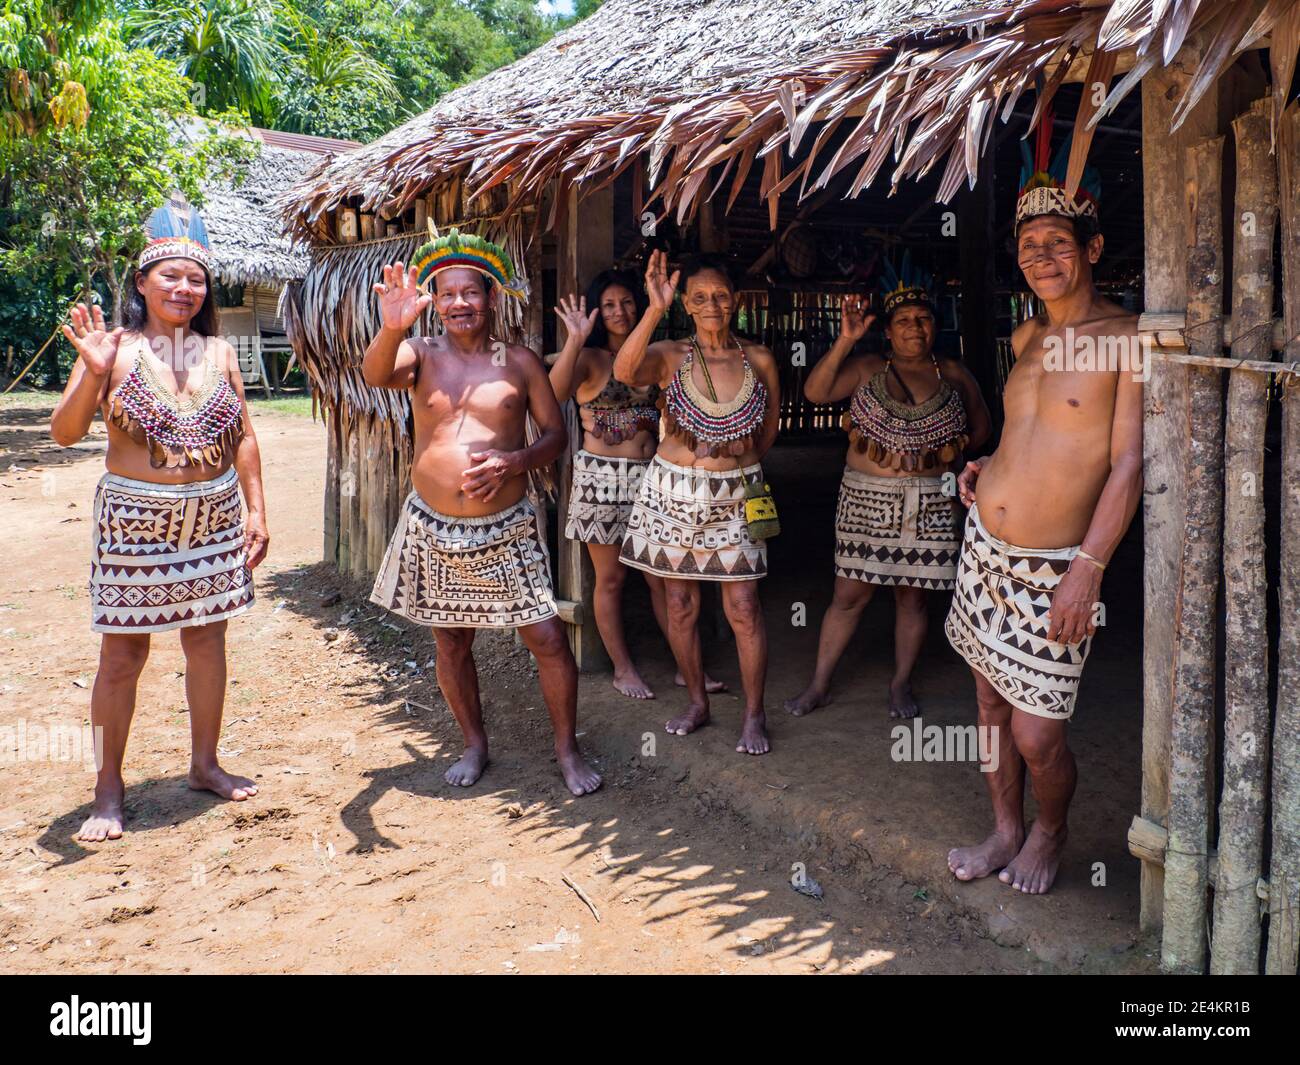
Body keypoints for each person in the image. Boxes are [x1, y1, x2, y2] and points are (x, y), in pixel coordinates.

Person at [945, 135, 1142, 894]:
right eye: (1029, 246)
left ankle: (1050, 831)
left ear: (1091, 247)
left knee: (1037, 731)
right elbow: (1029, 435)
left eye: (1058, 243)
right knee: (990, 699)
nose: (1041, 257)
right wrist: (983, 468)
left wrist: (1087, 572)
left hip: (1057, 567)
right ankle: (1004, 829)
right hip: (985, 549)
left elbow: (1126, 463)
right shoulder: (1028, 336)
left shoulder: (1127, 340)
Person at [50, 194, 269, 842]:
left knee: (207, 641)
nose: (184, 287)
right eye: (169, 275)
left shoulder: (220, 355)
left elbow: (247, 437)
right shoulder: (113, 349)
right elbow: (64, 433)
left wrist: (257, 508)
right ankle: (108, 787)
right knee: (122, 654)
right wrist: (91, 377)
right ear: (142, 282)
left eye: (195, 277)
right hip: (134, 524)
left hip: (214, 519)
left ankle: (204, 764)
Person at [363, 227, 601, 796]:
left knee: (545, 637)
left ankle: (567, 750)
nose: (459, 304)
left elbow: (554, 436)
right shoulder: (419, 354)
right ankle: (473, 744)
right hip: (435, 526)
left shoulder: (517, 362)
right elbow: (374, 374)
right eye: (446, 295)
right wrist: (394, 323)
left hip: (506, 527)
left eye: (471, 292)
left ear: (491, 298)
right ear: (435, 303)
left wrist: (513, 461)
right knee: (451, 642)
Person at [786, 260, 990, 719]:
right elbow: (817, 394)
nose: (914, 328)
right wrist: (846, 340)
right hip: (865, 500)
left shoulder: (953, 374)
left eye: (922, 319)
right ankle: (818, 684)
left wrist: (936, 452)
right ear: (889, 331)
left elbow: (980, 430)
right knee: (849, 595)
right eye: (903, 321)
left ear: (934, 324)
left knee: (912, 596)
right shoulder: (866, 367)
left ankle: (900, 684)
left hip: (932, 503)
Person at [614, 250, 780, 755]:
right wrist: (652, 310)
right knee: (680, 603)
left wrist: (736, 454)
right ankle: (696, 702)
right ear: (686, 303)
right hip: (672, 492)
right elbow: (626, 372)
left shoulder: (760, 359)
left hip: (738, 495)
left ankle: (754, 714)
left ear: (736, 302)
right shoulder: (670, 354)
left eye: (722, 296)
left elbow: (768, 432)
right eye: (701, 297)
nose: (713, 305)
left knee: (745, 607)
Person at [548, 269, 727, 700]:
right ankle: (623, 669)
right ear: (596, 311)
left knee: (663, 579)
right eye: (608, 305)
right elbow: (552, 396)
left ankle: (688, 668)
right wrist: (574, 340)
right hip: (601, 482)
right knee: (610, 581)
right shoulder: (590, 360)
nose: (619, 312)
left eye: (627, 302)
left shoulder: (653, 355)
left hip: (652, 480)